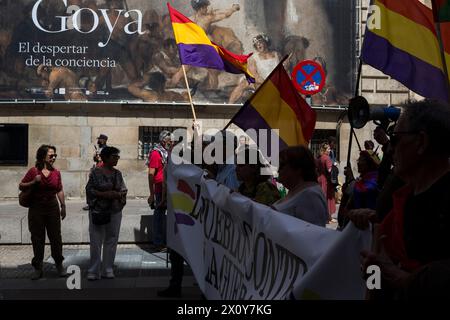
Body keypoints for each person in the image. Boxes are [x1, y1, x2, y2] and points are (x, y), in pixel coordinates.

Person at [348, 99, 450, 299]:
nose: (391, 149)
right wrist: (373, 276)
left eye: (395, 140)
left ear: (421, 142)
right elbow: (376, 272)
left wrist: (402, 278)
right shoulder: (396, 203)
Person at [19, 145, 66, 280]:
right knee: (37, 238)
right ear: (43, 156)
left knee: (56, 238)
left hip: (52, 208)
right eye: (51, 155)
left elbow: (59, 189)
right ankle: (38, 268)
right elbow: (21, 185)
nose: (54, 157)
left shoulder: (56, 173)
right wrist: (33, 181)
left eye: (55, 155)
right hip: (36, 208)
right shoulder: (34, 171)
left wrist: (63, 206)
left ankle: (59, 265)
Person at [85, 146, 127, 280]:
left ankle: (108, 268)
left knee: (112, 239)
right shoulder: (96, 173)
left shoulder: (117, 173)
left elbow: (123, 190)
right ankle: (93, 270)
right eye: (115, 157)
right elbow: (89, 190)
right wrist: (105, 194)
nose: (117, 159)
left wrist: (118, 195)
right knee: (96, 240)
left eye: (117, 157)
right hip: (98, 210)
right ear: (106, 158)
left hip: (114, 210)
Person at [273, 146, 328, 227]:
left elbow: (312, 233)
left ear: (298, 169)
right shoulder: (298, 191)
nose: (278, 170)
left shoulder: (310, 196)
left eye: (282, 165)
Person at [228, 34, 280, 104]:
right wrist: (267, 83)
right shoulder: (253, 58)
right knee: (244, 84)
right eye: (256, 44)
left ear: (266, 42)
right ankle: (230, 104)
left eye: (260, 43)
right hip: (261, 82)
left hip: (276, 81)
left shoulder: (276, 54)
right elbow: (255, 75)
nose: (258, 45)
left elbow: (282, 69)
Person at [148, 130, 174, 250]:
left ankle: (168, 241)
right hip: (159, 188)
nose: (171, 143)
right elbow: (151, 174)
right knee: (159, 216)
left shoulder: (168, 152)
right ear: (163, 141)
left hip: (170, 187)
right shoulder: (156, 153)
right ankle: (158, 242)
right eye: (169, 141)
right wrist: (151, 194)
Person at [83, 134, 108, 211]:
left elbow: (105, 161)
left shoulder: (106, 149)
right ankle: (91, 203)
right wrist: (96, 156)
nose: (98, 141)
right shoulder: (99, 148)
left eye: (99, 139)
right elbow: (95, 160)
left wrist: (99, 157)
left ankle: (93, 204)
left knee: (91, 187)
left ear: (103, 140)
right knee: (90, 187)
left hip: (101, 170)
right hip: (97, 169)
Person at [316, 142, 336, 222]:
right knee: (328, 197)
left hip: (320, 179)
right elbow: (329, 169)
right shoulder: (327, 158)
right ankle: (328, 217)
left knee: (321, 197)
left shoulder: (320, 157)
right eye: (328, 149)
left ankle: (323, 216)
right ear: (325, 150)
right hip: (326, 180)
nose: (330, 150)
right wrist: (334, 165)